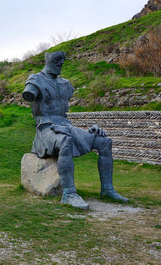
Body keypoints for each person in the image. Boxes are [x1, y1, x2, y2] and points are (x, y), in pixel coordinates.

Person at [22, 51, 128, 210]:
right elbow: (28, 94)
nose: (61, 63)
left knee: (104, 141)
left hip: (66, 125)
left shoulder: (65, 83)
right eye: (58, 59)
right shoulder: (36, 80)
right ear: (49, 59)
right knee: (64, 141)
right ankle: (69, 193)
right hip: (45, 127)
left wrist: (86, 131)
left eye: (63, 60)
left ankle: (107, 189)